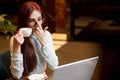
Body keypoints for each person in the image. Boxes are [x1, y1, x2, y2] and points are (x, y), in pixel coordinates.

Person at [9, 1, 58, 80]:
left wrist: (44, 43)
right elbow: (16, 75)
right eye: (31, 21)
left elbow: (54, 66)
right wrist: (16, 47)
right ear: (24, 22)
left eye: (39, 19)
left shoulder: (46, 35)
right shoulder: (15, 40)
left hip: (42, 77)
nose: (37, 24)